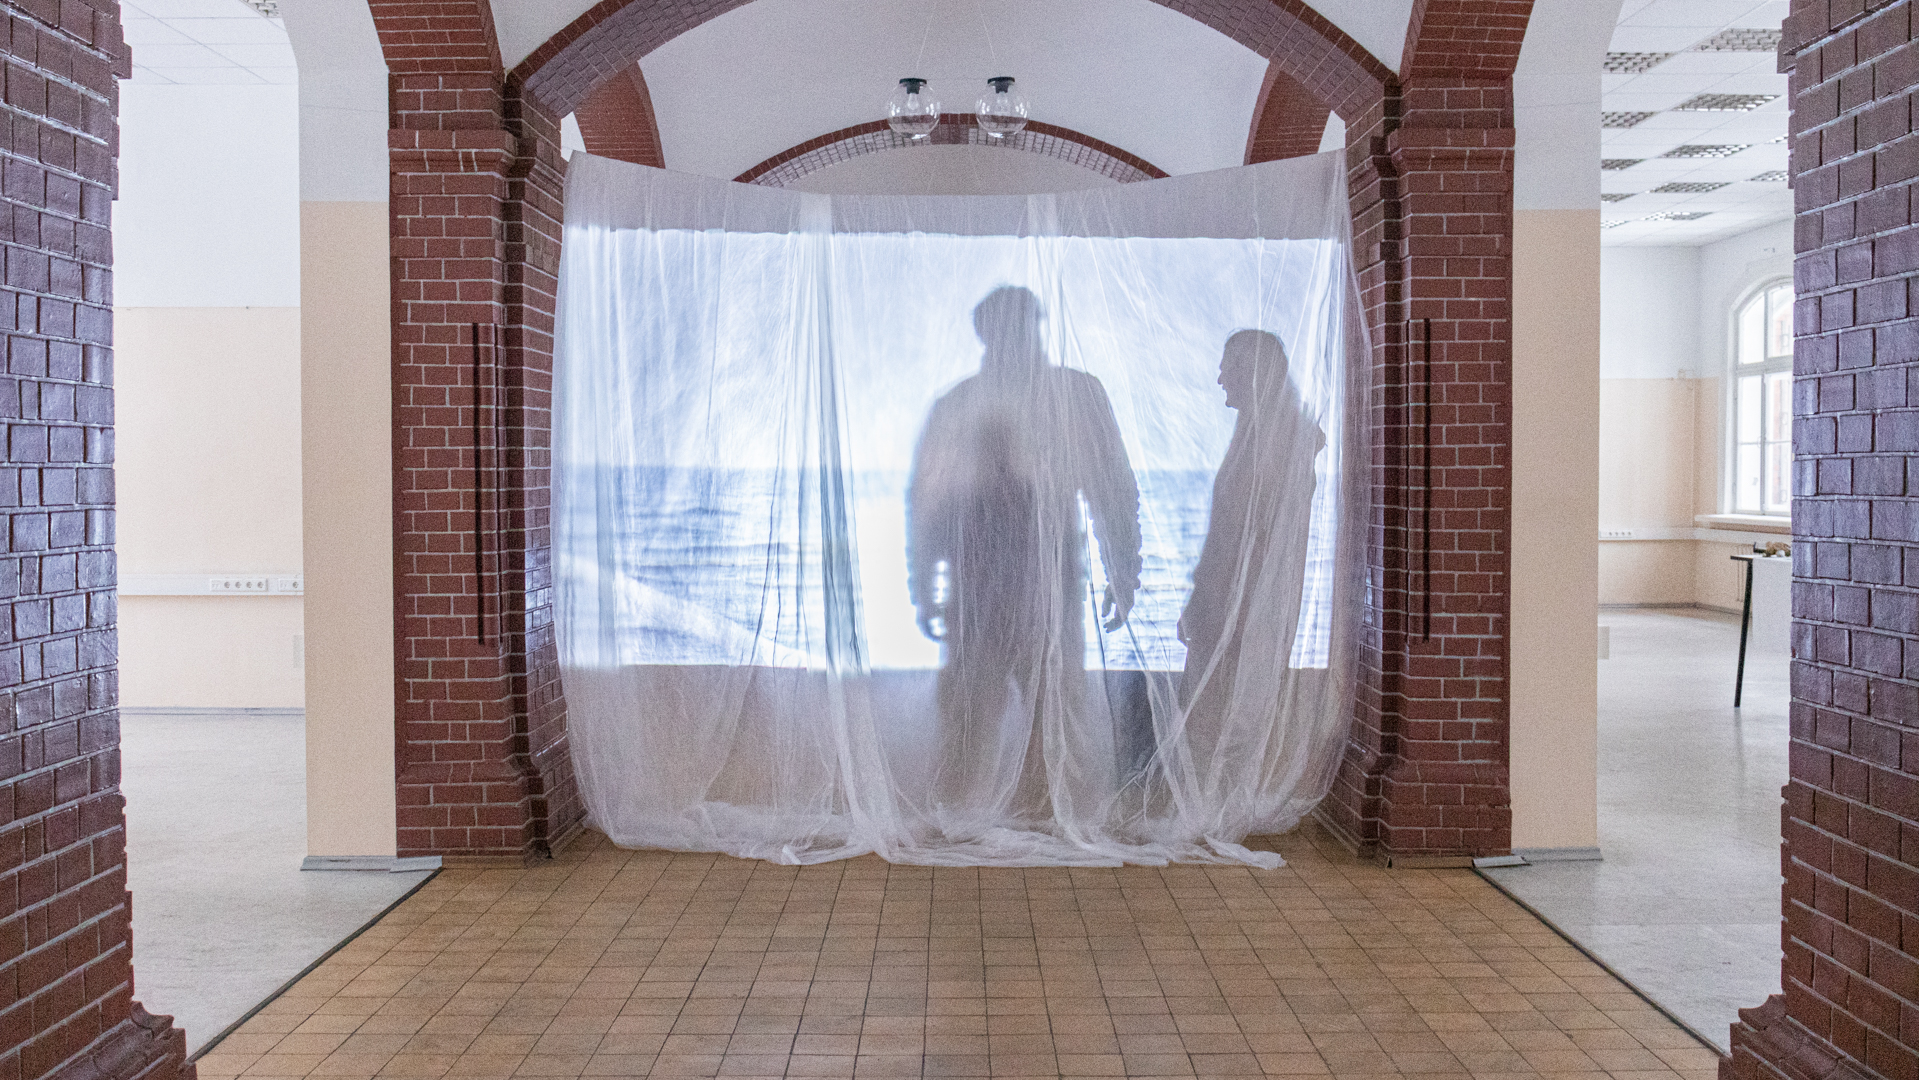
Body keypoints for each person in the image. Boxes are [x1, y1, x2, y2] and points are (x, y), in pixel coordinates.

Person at [906, 286, 1141, 825]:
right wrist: (924, 585)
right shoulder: (962, 404)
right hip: (980, 589)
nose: (1014, 337)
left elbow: (1112, 488)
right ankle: (965, 821)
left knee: (1053, 721)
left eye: (1021, 325)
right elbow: (929, 502)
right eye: (1004, 327)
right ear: (985, 333)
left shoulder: (1073, 396)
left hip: (1046, 587)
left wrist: (1123, 569)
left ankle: (1040, 821)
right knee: (970, 724)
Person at [1177, 329, 1325, 772]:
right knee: (1210, 709)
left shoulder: (1280, 440)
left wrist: (1211, 603)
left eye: (1229, 367)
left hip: (1243, 598)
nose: (1220, 378)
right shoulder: (1256, 432)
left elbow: (1239, 535)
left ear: (1255, 373)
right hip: (1232, 596)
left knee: (1216, 709)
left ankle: (1218, 797)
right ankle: (1212, 795)